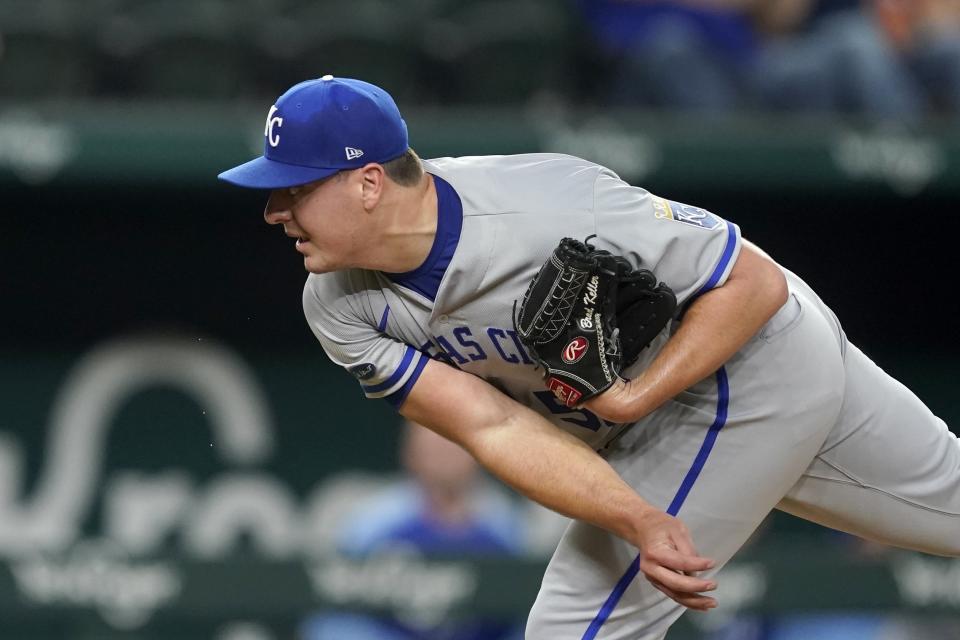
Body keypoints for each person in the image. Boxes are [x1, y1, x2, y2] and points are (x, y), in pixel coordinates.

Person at [218, 76, 960, 639]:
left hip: (747, 365)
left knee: (576, 625)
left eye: (294, 189)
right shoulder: (337, 304)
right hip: (681, 414)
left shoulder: (547, 204)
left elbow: (754, 281)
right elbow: (491, 427)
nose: (273, 211)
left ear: (369, 183)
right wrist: (635, 513)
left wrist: (635, 400)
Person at [301, 420, 526, 640]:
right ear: (410, 453)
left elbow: (525, 618)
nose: (445, 455)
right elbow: (329, 614)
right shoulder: (372, 522)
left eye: (453, 444)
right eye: (434, 446)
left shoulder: (506, 527)